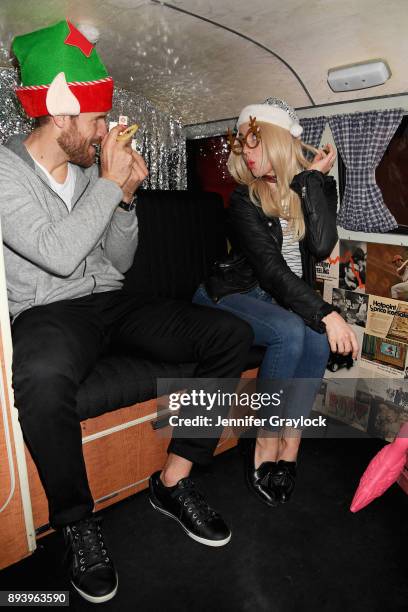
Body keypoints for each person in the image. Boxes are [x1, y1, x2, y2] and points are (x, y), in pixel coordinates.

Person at [1, 21, 254, 603]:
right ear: (60, 115)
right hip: (49, 312)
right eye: (94, 121)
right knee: (39, 375)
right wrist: (110, 186)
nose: (101, 134)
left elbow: (119, 258)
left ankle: (174, 480)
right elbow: (61, 258)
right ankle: (76, 523)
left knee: (229, 335)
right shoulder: (4, 170)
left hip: (112, 302)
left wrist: (127, 197)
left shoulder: (90, 168)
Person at [193, 98, 358, 507]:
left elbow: (321, 247)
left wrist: (313, 182)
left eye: (254, 144)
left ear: (278, 143)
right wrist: (327, 312)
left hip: (271, 296)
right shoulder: (242, 200)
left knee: (317, 340)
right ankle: (266, 440)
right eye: (242, 147)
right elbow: (269, 271)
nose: (246, 155)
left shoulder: (308, 188)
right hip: (228, 293)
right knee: (289, 331)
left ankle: (291, 442)